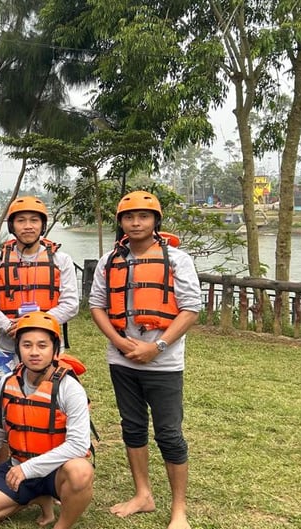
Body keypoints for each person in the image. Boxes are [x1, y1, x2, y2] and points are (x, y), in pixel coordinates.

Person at [89, 190, 200, 529]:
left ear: (156, 221)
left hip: (163, 363)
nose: (136, 222)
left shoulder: (177, 259)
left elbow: (191, 307)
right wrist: (120, 342)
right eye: (128, 217)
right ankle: (143, 494)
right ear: (120, 222)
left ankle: (178, 509)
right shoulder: (110, 261)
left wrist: (158, 347)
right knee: (132, 427)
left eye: (144, 216)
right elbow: (97, 305)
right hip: (122, 361)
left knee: (168, 433)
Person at [0, 311, 93, 528]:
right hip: (18, 465)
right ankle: (36, 497)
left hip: (56, 471)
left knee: (81, 471)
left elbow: (79, 445)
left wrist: (28, 469)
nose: (34, 352)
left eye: (42, 345)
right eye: (27, 345)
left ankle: (62, 524)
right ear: (18, 348)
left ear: (55, 349)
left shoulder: (70, 388)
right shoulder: (7, 383)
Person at [0, 196, 78, 388]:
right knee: (7, 400)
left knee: (50, 400)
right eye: (21, 220)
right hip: (7, 345)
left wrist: (36, 323)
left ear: (42, 225)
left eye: (34, 220)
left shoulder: (61, 260)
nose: (28, 226)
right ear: (12, 226)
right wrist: (8, 325)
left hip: (48, 345)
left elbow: (70, 304)